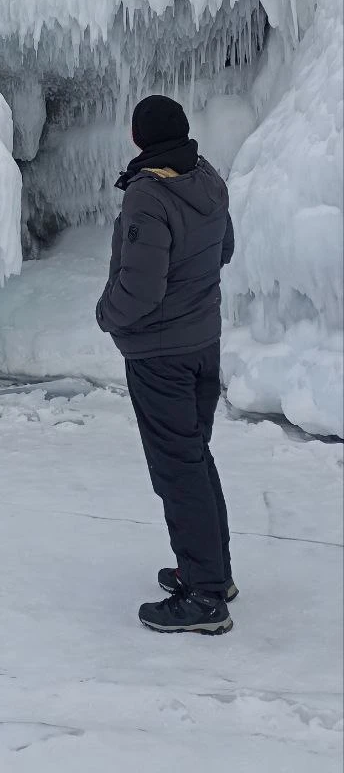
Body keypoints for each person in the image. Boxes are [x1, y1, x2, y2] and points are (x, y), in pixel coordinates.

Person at [96, 95, 237, 636]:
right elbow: (222, 249)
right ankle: (212, 574)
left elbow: (142, 287)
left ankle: (205, 598)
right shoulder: (207, 178)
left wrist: (108, 315)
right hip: (204, 342)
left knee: (178, 468)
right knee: (193, 458)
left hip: (160, 354)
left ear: (139, 138)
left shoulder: (148, 197)